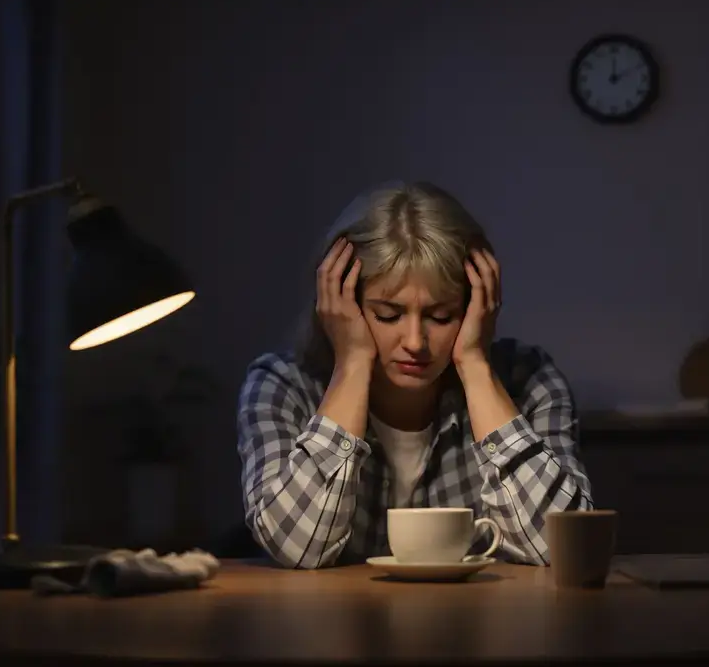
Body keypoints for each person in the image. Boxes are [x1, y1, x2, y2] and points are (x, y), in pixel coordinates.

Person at [236, 180, 593, 569]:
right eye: (388, 315)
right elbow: (298, 548)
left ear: (478, 307)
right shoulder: (281, 385)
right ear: (340, 304)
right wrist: (353, 363)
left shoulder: (530, 379)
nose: (415, 342)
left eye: (441, 316)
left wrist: (474, 363)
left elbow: (559, 546)